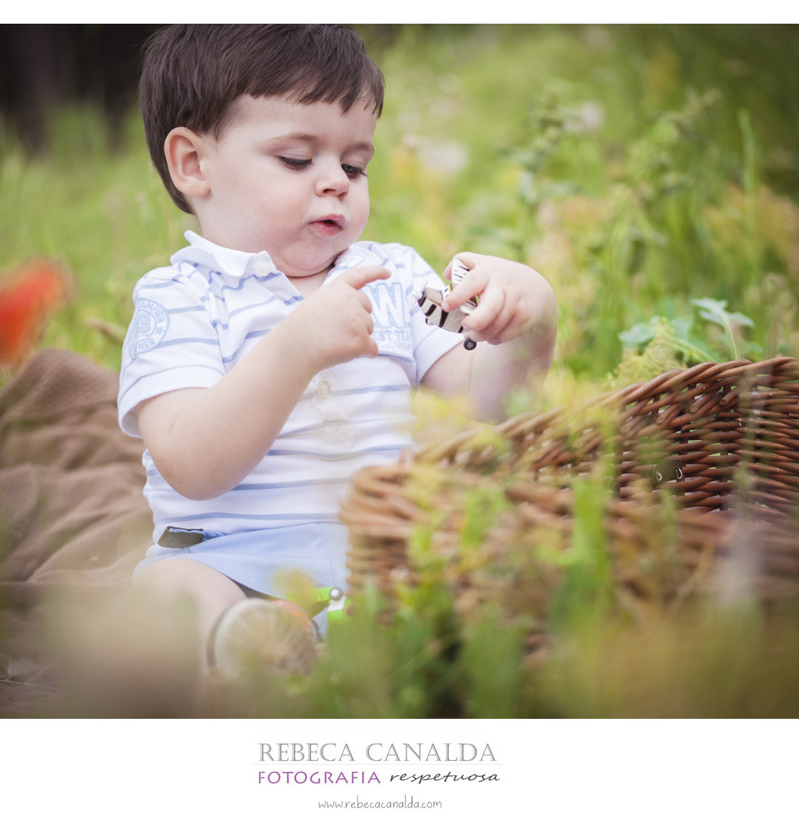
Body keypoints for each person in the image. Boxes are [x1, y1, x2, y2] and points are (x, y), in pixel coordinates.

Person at [118, 24, 558, 680]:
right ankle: (245, 663)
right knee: (171, 593)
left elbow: (485, 406)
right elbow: (190, 462)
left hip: (380, 564)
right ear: (193, 164)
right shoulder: (178, 296)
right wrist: (293, 349)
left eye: (355, 164)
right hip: (232, 569)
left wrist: (530, 318)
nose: (337, 183)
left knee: (506, 561)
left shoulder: (395, 277)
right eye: (297, 159)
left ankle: (382, 655)